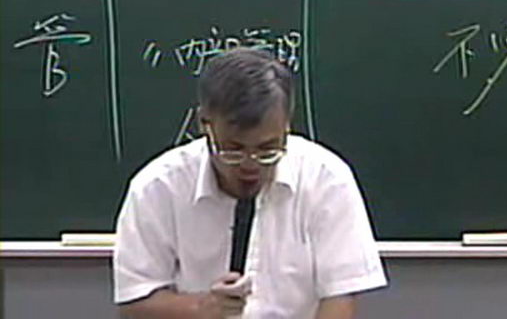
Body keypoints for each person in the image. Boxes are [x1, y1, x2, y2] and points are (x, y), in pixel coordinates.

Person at [113, 47, 387, 318]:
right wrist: (201, 308)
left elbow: (339, 297)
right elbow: (134, 304)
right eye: (233, 150)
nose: (250, 165)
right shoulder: (157, 187)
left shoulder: (327, 180)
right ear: (204, 124)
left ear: (287, 126)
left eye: (268, 150)